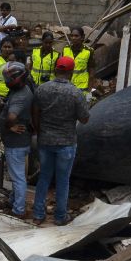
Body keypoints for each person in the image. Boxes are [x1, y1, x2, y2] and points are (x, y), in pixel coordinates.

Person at [31, 55, 90, 226]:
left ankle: (38, 215)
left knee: (44, 178)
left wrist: (39, 130)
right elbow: (85, 119)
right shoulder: (75, 93)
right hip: (66, 142)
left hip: (45, 141)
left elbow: (35, 113)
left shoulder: (42, 89)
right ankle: (60, 216)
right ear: (71, 73)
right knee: (63, 180)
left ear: (56, 70)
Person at [0, 62, 34, 218]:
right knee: (16, 175)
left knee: (18, 177)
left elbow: (12, 117)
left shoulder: (20, 96)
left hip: (16, 144)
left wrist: (9, 126)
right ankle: (14, 201)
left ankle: (18, 210)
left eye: (8, 78)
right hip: (19, 142)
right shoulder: (22, 89)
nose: (6, 81)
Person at [61, 26, 93, 95]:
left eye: (76, 36)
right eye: (72, 36)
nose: (73, 38)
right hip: (67, 86)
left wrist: (89, 91)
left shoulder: (88, 51)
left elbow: (92, 72)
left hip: (81, 87)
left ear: (82, 37)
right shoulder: (65, 50)